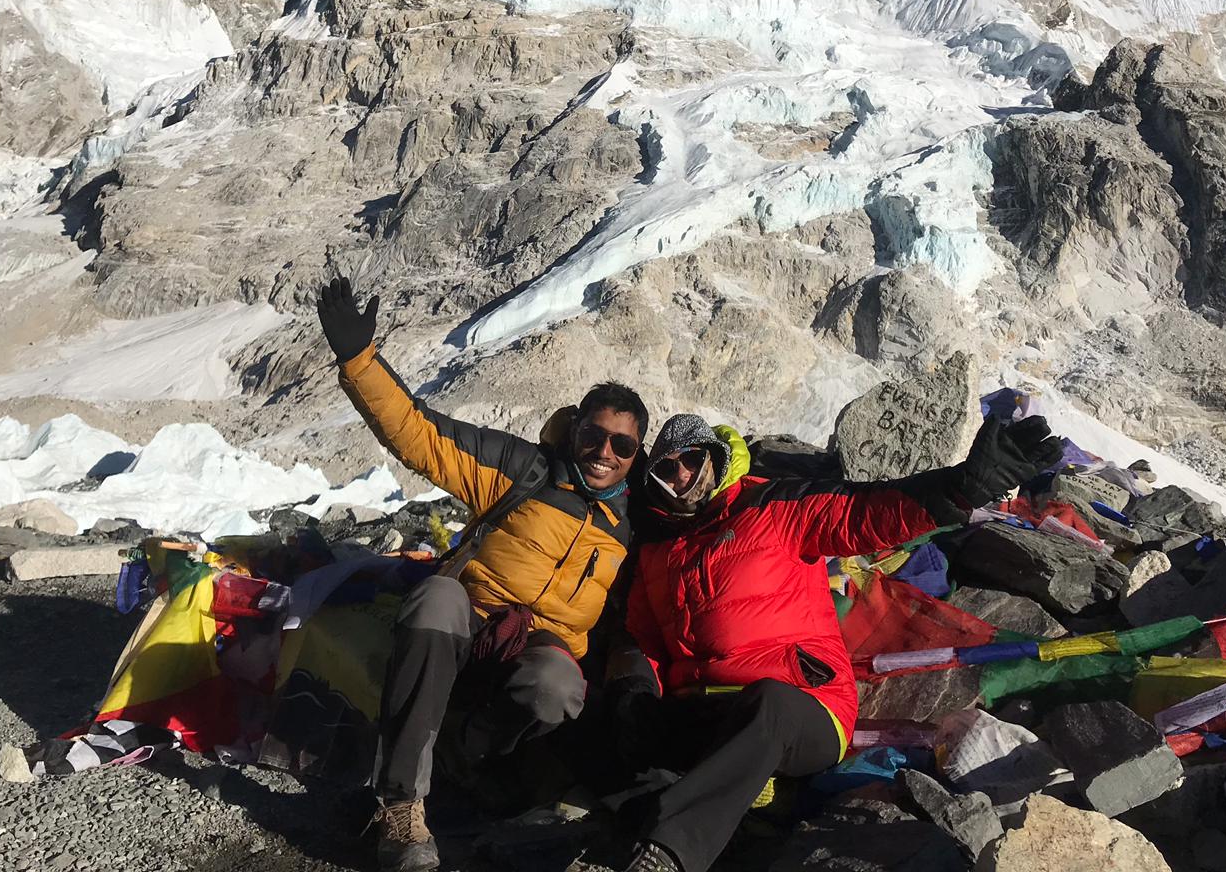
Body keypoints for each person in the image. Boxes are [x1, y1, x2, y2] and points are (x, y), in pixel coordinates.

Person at [614, 411, 1063, 872]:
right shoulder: (656, 552)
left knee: (768, 707)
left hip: (803, 706)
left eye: (690, 459)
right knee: (609, 731)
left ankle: (667, 855)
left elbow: (864, 512)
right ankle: (741, 792)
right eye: (667, 469)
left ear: (714, 456)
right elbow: (641, 636)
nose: (682, 474)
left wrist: (958, 488)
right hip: (704, 706)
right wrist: (634, 689)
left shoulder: (772, 506)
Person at [315, 277, 648, 872]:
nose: (604, 451)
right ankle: (401, 806)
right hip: (469, 621)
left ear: (635, 455)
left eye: (621, 445)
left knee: (558, 688)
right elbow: (422, 436)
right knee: (439, 596)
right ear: (575, 430)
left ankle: (458, 759)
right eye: (594, 434)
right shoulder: (524, 470)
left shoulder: (632, 527)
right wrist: (357, 358)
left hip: (540, 649)